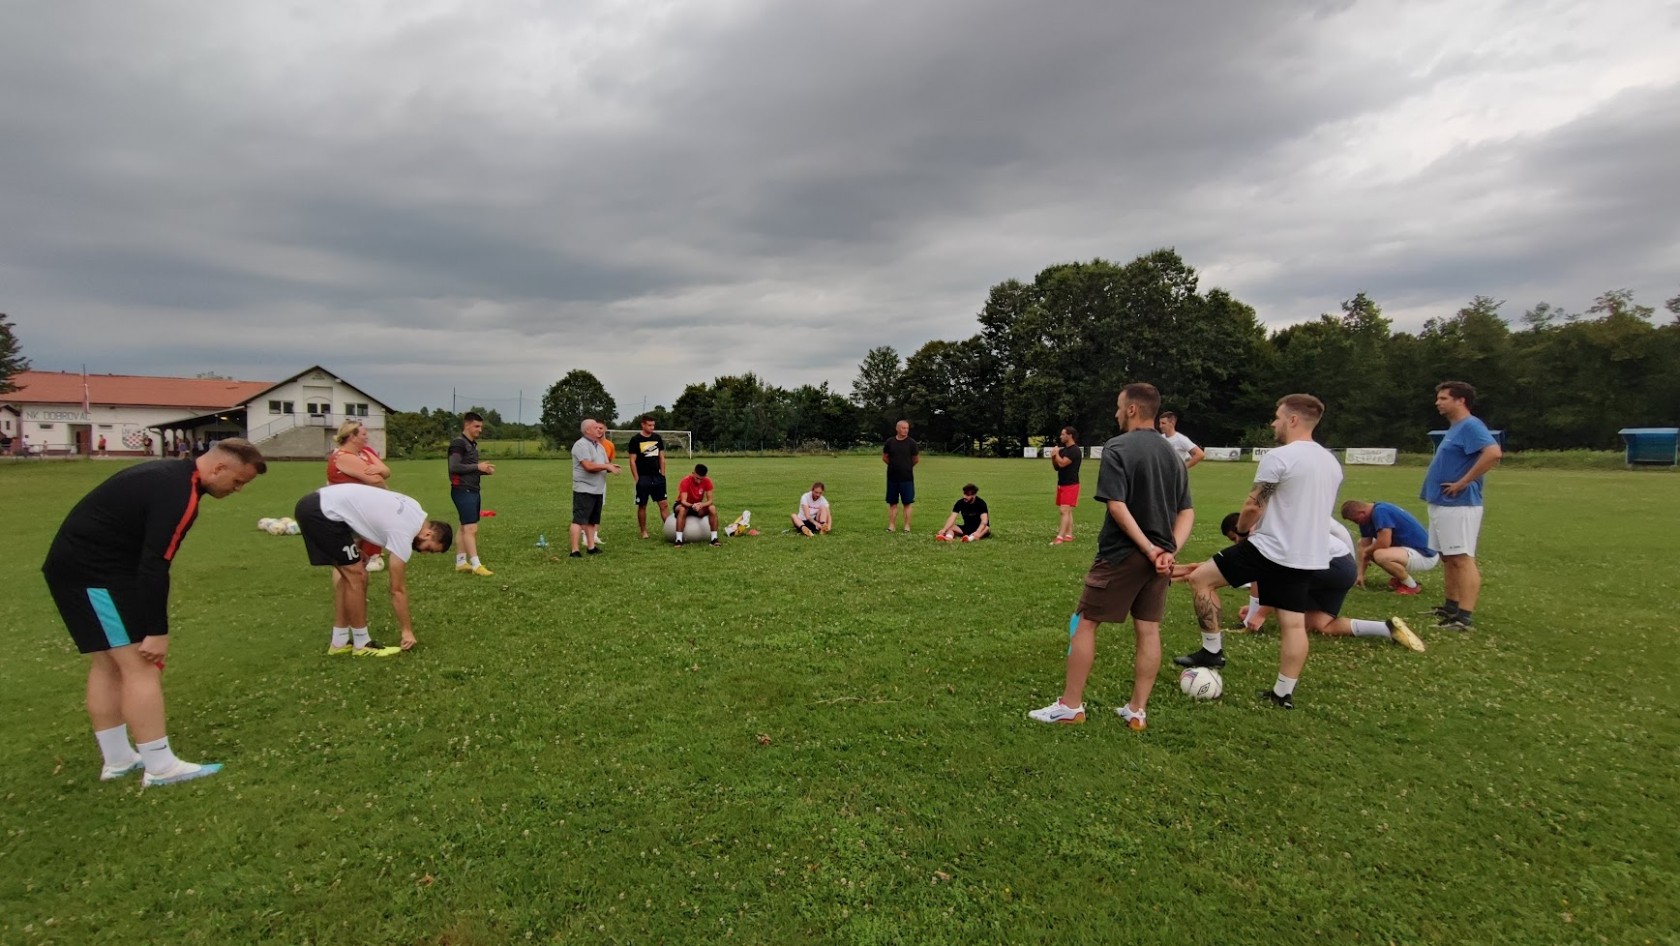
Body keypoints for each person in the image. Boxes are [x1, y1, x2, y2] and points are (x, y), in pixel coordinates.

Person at [41, 439, 268, 787]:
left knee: (108, 663)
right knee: (140, 665)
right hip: (95, 574)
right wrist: (156, 630)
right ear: (219, 468)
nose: (237, 490)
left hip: (77, 569)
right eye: (238, 482)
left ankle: (118, 760)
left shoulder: (172, 477)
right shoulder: (180, 493)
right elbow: (155, 564)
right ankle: (160, 766)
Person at [1030, 383, 1193, 730]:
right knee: (1148, 629)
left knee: (1084, 621)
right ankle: (1137, 711)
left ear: (1132, 409)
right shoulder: (1172, 455)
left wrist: (1148, 548)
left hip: (1122, 554)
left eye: (1119, 407)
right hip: (1160, 559)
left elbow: (1117, 506)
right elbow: (1187, 512)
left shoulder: (1117, 447)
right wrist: (1169, 551)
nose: (1116, 413)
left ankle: (1070, 706)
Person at [1172, 394, 1343, 710]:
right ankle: (1282, 693)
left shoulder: (1281, 457)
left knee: (1200, 579)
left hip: (1269, 548)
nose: (1274, 423)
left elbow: (1254, 504)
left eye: (1277, 417)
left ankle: (1212, 651)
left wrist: (1241, 531)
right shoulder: (1331, 462)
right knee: (1293, 624)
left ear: (1293, 419)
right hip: (1307, 555)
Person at [1206, 513, 1424, 652]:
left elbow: (1280, 577)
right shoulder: (1272, 526)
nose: (1237, 543)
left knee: (1266, 573)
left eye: (1235, 538)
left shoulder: (1268, 534)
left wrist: (1259, 614)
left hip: (1333, 565)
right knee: (1321, 625)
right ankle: (1387, 628)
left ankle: (1250, 625)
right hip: (1342, 568)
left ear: (1244, 527)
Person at [295, 483, 453, 656]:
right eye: (429, 549)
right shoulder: (405, 533)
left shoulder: (414, 508)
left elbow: (367, 513)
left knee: (350, 575)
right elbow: (397, 590)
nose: (423, 553)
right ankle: (362, 644)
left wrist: (355, 548)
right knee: (357, 576)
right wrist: (407, 630)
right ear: (427, 534)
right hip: (322, 512)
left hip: (319, 504)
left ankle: (339, 642)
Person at [1422, 381, 1501, 631]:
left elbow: (1493, 453)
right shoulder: (1456, 427)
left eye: (1443, 398)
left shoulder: (1471, 425)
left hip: (1459, 504)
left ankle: (1464, 618)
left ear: (1461, 401)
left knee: (1461, 558)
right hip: (1442, 502)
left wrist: (1464, 482)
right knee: (1447, 556)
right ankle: (1451, 606)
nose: (1438, 402)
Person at [328, 419, 391, 572]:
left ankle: (369, 557)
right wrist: (377, 473)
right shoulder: (344, 456)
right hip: (348, 507)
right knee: (353, 545)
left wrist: (378, 471)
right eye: (363, 434)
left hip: (362, 504)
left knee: (372, 524)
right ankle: (360, 561)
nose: (366, 437)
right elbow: (376, 480)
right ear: (352, 436)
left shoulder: (365, 452)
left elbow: (386, 472)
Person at [1340, 499, 1438, 596]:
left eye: (1356, 520)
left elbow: (1384, 543)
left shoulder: (1381, 511)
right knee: (1364, 544)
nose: (1356, 523)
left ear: (1362, 513)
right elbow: (1364, 545)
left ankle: (1411, 586)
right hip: (1409, 550)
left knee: (1380, 555)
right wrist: (1360, 574)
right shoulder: (1367, 518)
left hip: (1426, 554)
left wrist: (1367, 552)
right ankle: (1400, 578)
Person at [447, 412, 496, 576]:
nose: (479, 430)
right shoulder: (458, 444)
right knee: (470, 528)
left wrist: (483, 471)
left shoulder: (471, 444)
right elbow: (454, 467)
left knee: (464, 527)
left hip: (472, 489)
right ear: (467, 425)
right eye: (476, 426)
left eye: (481, 427)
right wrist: (477, 467)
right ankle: (476, 565)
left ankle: (461, 562)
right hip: (462, 490)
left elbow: (467, 468)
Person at [570, 418, 619, 556]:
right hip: (584, 489)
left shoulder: (599, 446)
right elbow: (588, 466)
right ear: (587, 430)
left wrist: (611, 467)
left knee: (592, 521)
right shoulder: (581, 445)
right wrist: (606, 466)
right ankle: (574, 550)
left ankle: (591, 547)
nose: (599, 430)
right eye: (595, 427)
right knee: (579, 520)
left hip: (598, 489)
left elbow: (604, 465)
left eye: (600, 428)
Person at [627, 416, 670, 539]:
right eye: (649, 425)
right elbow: (632, 461)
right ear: (643, 425)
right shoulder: (635, 440)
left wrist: (662, 475)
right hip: (643, 477)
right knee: (642, 505)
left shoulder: (657, 438)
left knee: (663, 504)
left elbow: (662, 458)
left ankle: (670, 529)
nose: (652, 427)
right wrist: (637, 479)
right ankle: (643, 531)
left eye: (653, 425)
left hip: (657, 477)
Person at [883, 420, 919, 533]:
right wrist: (894, 466)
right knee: (892, 503)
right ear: (897, 428)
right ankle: (891, 526)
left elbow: (915, 459)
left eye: (907, 428)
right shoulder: (890, 442)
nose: (905, 430)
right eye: (903, 428)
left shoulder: (912, 443)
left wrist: (906, 467)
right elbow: (885, 457)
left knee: (907, 503)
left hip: (907, 479)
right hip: (892, 478)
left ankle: (907, 526)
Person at [674, 462, 720, 547]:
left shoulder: (707, 481)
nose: (699, 481)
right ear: (693, 473)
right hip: (683, 505)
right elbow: (683, 501)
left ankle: (714, 539)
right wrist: (692, 506)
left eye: (701, 479)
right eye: (697, 478)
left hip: (697, 506)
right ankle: (678, 540)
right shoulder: (685, 481)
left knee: (712, 508)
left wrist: (701, 505)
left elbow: (710, 500)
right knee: (682, 509)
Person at [1050, 426, 1082, 545]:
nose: (1061, 436)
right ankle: (1068, 535)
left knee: (1064, 510)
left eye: (1063, 434)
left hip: (1071, 484)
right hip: (1062, 484)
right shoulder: (1063, 450)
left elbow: (1063, 463)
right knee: (1067, 511)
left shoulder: (1075, 450)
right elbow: (1057, 467)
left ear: (1069, 435)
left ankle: (1060, 537)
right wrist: (1053, 457)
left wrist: (1056, 454)